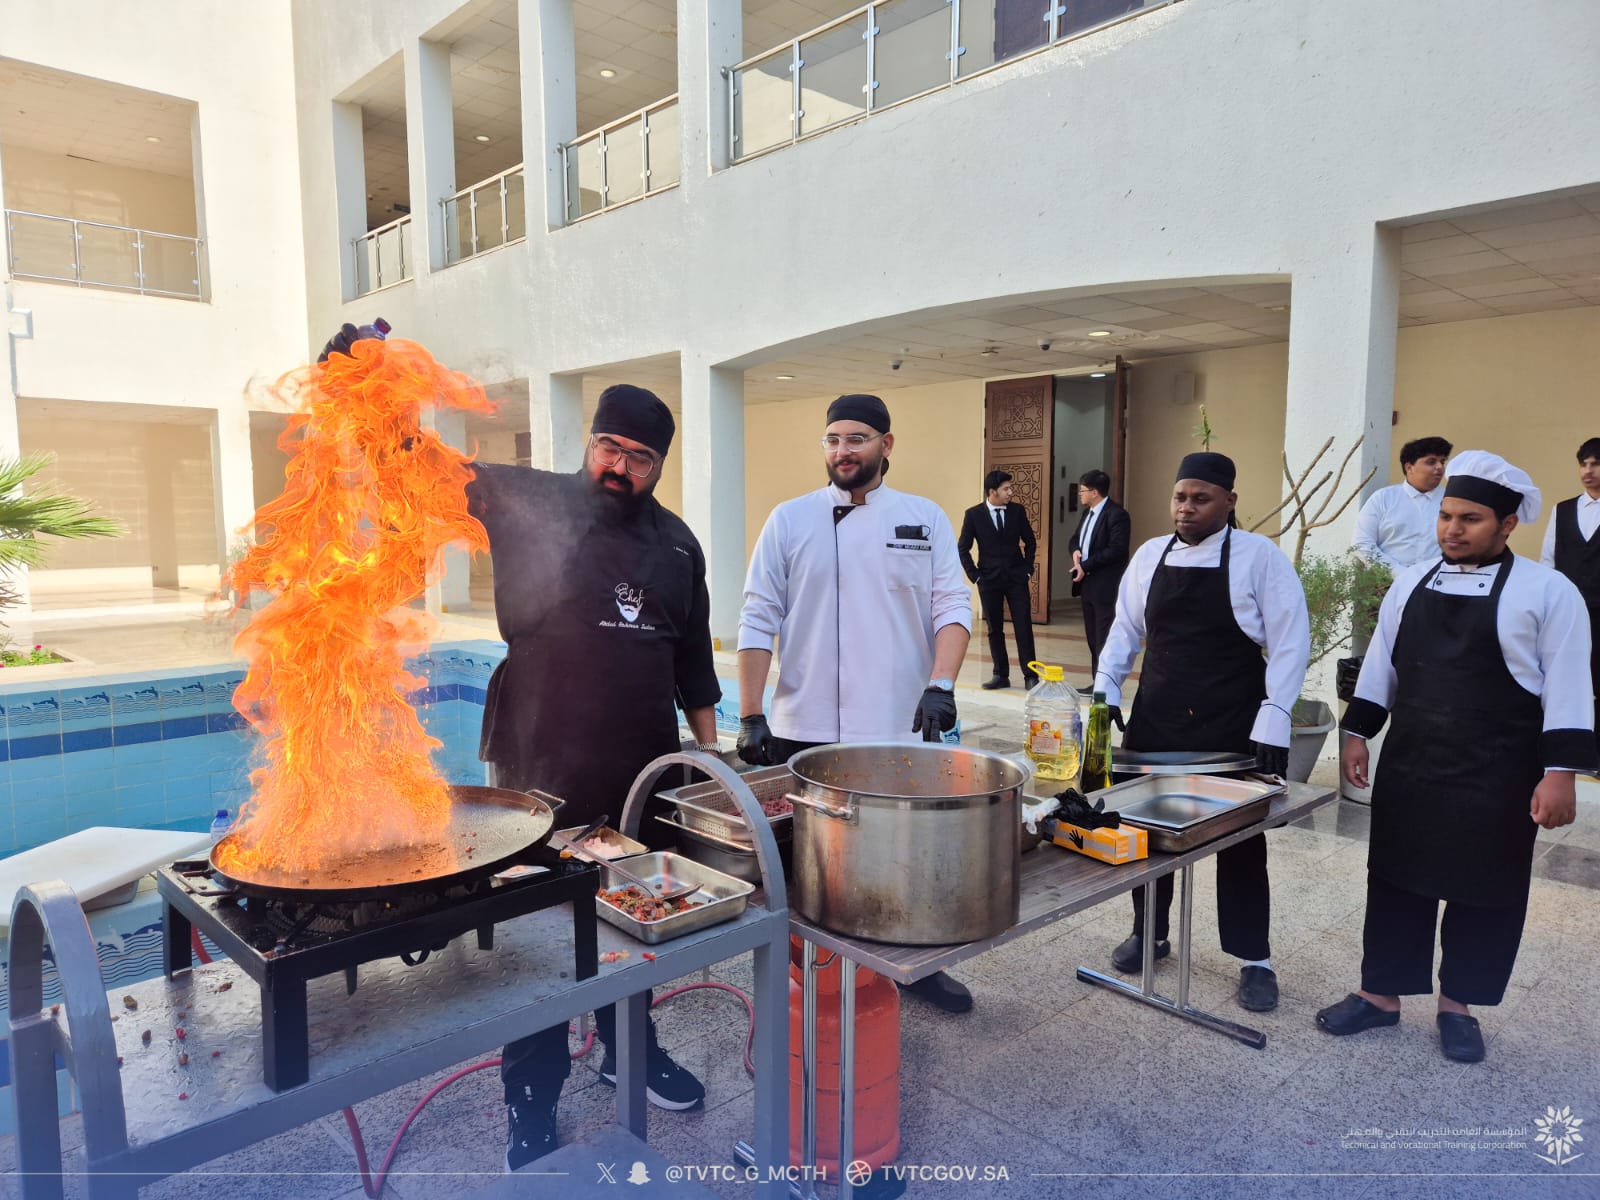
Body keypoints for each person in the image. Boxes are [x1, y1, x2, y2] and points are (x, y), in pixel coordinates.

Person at [318, 323, 720, 1169]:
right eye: (610, 447)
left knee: (637, 911)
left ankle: (627, 1051)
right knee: (542, 936)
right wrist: (363, 380)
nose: (620, 467)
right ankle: (528, 1101)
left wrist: (708, 769)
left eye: (640, 458)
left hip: (643, 762)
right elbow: (412, 467)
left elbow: (695, 662)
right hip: (539, 754)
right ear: (589, 443)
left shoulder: (679, 544)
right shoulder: (526, 497)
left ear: (658, 467)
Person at [1319, 450, 1596, 1063]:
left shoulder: (1548, 591)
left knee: (1486, 888)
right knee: (1394, 879)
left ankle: (1458, 1006)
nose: (1452, 529)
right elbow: (1380, 665)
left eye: (1469, 518)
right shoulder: (1410, 581)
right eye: (1446, 516)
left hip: (1500, 769)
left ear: (1506, 524)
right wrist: (1358, 733)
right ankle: (1380, 995)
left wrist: (1561, 774)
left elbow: (1568, 685)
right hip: (1415, 761)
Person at [735, 393, 976, 1013]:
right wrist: (752, 712)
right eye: (833, 439)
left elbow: (952, 606)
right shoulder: (789, 520)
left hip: (895, 723)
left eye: (858, 438)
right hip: (803, 722)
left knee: (903, 857)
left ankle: (913, 969)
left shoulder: (924, 518)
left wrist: (941, 685)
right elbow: (758, 616)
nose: (843, 451)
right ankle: (808, 975)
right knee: (807, 863)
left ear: (886, 445)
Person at [1093, 452, 1310, 1012]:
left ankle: (1254, 958)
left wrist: (1277, 715)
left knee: (1241, 843)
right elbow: (1125, 629)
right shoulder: (1149, 555)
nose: (1186, 509)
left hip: (1232, 721)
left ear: (1230, 502)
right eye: (1180, 497)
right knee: (1144, 833)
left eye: (1201, 498)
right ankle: (1150, 932)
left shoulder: (1259, 557)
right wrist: (1106, 688)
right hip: (1158, 718)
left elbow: (1290, 641)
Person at [1540, 437, 1600, 759]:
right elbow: (1548, 561)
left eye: (1595, 464)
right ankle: (1565, 754)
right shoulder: (1562, 510)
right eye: (1584, 464)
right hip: (1570, 613)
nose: (1588, 471)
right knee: (1566, 682)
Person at [957, 469, 1038, 689]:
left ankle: (1030, 675)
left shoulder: (1017, 512)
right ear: (992, 492)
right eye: (1006, 489)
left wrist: (1027, 569)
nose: (1010, 492)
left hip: (1016, 579)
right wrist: (975, 576)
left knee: (1023, 626)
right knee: (994, 628)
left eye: (1010, 488)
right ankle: (1000, 674)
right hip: (989, 580)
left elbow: (1030, 541)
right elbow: (963, 548)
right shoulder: (974, 514)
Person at [1351, 435, 1453, 571]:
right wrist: (1398, 574)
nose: (1440, 467)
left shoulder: (1451, 500)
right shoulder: (1383, 498)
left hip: (1437, 584)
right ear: (1409, 467)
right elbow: (1362, 543)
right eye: (1431, 462)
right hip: (1385, 584)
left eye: (1442, 461)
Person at [1069, 469, 1131, 682]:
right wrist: (1075, 551)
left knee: (1103, 638)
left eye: (1083, 490)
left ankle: (1105, 683)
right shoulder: (1088, 513)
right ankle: (1097, 682)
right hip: (1087, 585)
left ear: (1094, 492)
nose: (1080, 494)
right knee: (1092, 638)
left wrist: (1086, 565)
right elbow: (1075, 539)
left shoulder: (1117, 515)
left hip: (1105, 586)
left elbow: (1117, 549)